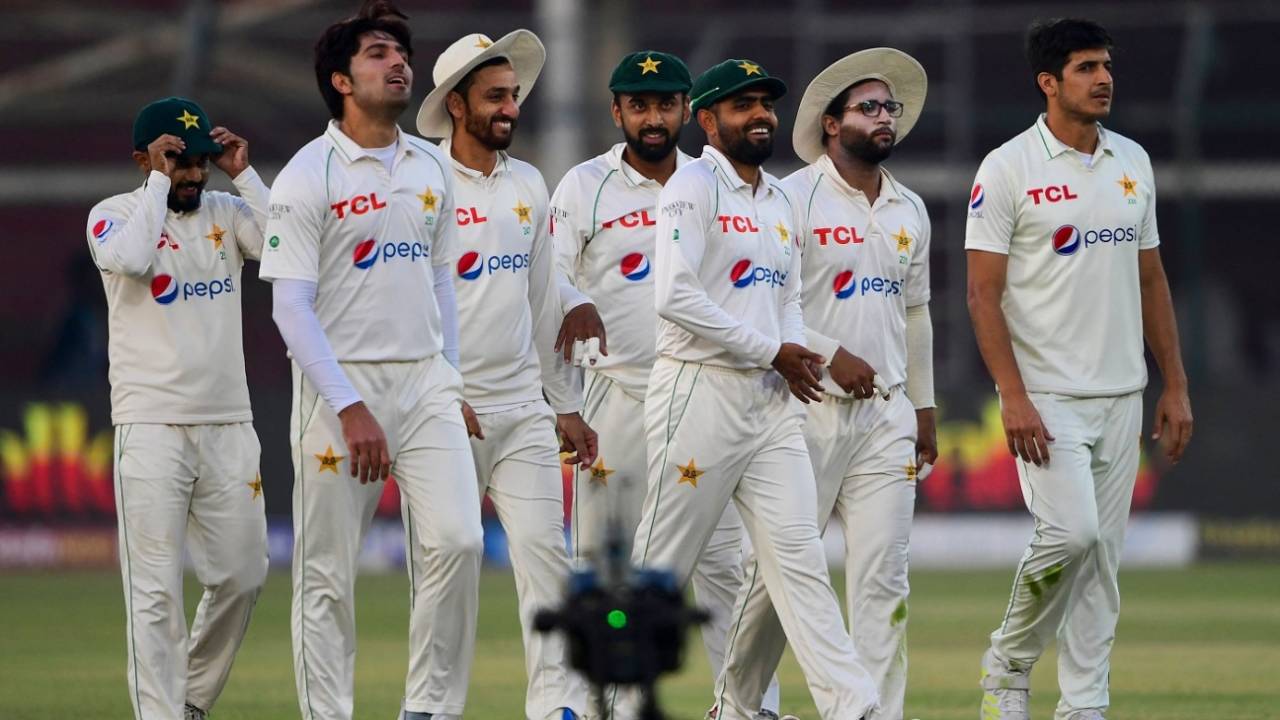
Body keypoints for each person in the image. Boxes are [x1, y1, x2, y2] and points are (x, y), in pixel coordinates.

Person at [633, 57, 879, 720]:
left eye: (765, 103)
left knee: (797, 562)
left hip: (769, 406)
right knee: (661, 571)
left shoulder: (777, 200)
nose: (760, 114)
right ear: (706, 120)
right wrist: (772, 350)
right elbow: (675, 297)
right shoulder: (691, 186)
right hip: (698, 394)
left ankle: (850, 706)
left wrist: (799, 354)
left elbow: (787, 304)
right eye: (742, 105)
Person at [259, 3, 483, 718]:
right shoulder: (306, 175)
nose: (399, 64)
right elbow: (289, 309)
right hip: (338, 391)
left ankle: (429, 709)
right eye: (379, 54)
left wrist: (451, 377)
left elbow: (442, 280)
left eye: (401, 53)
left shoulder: (430, 167)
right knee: (325, 575)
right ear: (341, 81)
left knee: (460, 541)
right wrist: (350, 405)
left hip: (424, 383)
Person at [966, 17, 1193, 720]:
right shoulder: (1007, 168)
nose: (1104, 80)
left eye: (1106, 66)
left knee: (1102, 566)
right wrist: (1012, 396)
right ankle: (1009, 659)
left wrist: (1174, 384)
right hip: (1046, 395)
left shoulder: (1133, 161)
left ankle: (1084, 707)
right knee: (1072, 536)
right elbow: (982, 291)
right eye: (1087, 68)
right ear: (1049, 83)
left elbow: (1151, 279)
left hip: (1123, 392)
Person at [549, 51, 782, 719]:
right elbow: (549, 277)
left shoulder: (717, 183)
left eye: (667, 104)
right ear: (617, 111)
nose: (654, 118)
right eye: (640, 105)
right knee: (602, 569)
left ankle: (745, 706)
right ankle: (585, 706)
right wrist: (572, 306)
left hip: (705, 398)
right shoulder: (585, 185)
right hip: (616, 400)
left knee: (724, 567)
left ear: (688, 111)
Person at [713, 48, 936, 720]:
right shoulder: (788, 199)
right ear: (831, 124)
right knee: (776, 581)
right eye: (869, 107)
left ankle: (874, 713)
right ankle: (737, 705)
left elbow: (917, 311)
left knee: (883, 582)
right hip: (800, 413)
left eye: (889, 107)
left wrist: (923, 406)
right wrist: (829, 351)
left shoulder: (909, 208)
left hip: (886, 417)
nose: (884, 117)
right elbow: (754, 302)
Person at [414, 29, 595, 720]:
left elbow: (544, 297)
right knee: (446, 563)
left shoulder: (528, 182)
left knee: (549, 560)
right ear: (456, 106)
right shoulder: (420, 182)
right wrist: (437, 389)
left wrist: (565, 403)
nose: (509, 108)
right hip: (442, 410)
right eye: (494, 97)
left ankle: (560, 708)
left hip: (522, 406)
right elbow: (401, 303)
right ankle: (428, 706)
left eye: (513, 95)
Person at [86, 95, 269, 720]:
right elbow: (134, 260)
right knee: (155, 591)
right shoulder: (112, 215)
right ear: (143, 159)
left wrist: (242, 172)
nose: (193, 173)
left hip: (228, 423)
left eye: (198, 161)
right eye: (175, 160)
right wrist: (157, 187)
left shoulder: (226, 207)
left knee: (244, 574)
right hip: (150, 424)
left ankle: (189, 699)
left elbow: (289, 253)